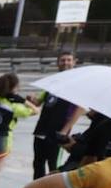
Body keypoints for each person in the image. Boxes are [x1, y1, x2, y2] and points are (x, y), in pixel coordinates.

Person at [32, 51, 85, 180]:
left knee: (54, 165)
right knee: (38, 162)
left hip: (59, 131)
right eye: (62, 60)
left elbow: (81, 108)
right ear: (58, 63)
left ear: (74, 62)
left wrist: (65, 131)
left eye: (68, 60)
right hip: (42, 128)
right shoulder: (53, 81)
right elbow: (41, 101)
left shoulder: (77, 83)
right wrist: (31, 100)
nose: (65, 63)